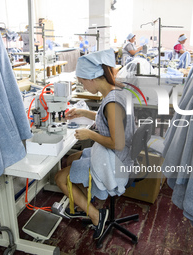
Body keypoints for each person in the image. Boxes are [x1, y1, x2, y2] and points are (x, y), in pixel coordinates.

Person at [54, 48, 135, 240]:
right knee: (72, 158)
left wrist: (89, 133)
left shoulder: (112, 102)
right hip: (117, 155)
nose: (82, 87)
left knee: (59, 177)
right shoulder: (116, 92)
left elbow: (117, 142)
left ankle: (96, 215)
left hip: (116, 162)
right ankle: (86, 205)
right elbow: (107, 119)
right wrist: (83, 113)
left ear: (91, 78)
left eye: (82, 82)